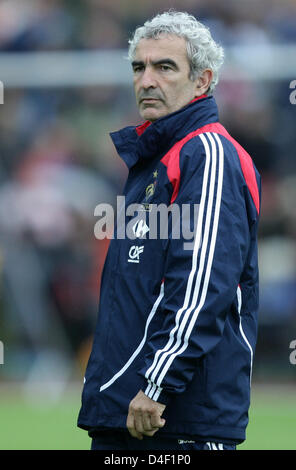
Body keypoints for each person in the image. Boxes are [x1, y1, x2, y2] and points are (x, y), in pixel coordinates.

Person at [77, 10, 261, 451]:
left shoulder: (208, 154)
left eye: (165, 67)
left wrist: (157, 384)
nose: (146, 80)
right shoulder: (153, 160)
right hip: (128, 413)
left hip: (176, 420)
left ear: (203, 81)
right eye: (139, 67)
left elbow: (202, 285)